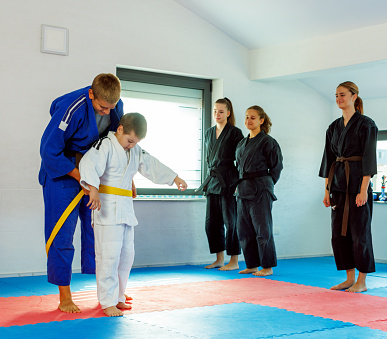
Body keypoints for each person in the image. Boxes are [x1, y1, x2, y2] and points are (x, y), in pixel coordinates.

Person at [79, 113, 188, 317]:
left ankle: (119, 296)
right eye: (130, 140)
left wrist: (174, 178)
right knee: (108, 257)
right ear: (120, 130)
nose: (131, 145)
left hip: (126, 208)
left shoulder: (135, 150)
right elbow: (88, 163)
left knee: (126, 256)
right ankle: (107, 301)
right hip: (107, 208)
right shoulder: (104, 145)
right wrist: (92, 187)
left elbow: (151, 165)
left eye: (135, 142)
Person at [39, 73, 124, 313]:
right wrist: (80, 176)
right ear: (91, 94)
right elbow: (48, 150)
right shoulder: (71, 108)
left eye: (112, 107)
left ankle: (106, 293)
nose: (107, 112)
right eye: (102, 107)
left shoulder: (114, 105)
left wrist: (125, 177)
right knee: (62, 234)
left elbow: (119, 142)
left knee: (98, 231)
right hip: (63, 172)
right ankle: (65, 296)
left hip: (93, 171)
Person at [319, 81, 378, 293]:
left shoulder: (366, 124)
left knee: (359, 233)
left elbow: (369, 159)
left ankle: (362, 280)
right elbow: (328, 160)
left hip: (357, 187)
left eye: (342, 95)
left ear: (354, 96)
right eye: (336, 95)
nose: (338, 99)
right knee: (339, 234)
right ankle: (349, 278)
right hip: (337, 186)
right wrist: (326, 190)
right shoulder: (333, 127)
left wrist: (363, 190)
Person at [235, 105, 283, 276]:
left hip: (261, 189)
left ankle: (267, 266)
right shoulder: (242, 143)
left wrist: (266, 184)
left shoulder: (268, 142)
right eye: (247, 117)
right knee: (244, 230)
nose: (248, 120)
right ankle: (252, 264)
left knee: (263, 230)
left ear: (261, 120)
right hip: (242, 189)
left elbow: (276, 167)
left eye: (253, 117)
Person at [198, 98, 244, 270]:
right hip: (212, 181)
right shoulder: (209, 132)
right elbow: (208, 159)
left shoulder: (235, 133)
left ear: (229, 113)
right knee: (212, 223)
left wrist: (239, 182)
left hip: (229, 181)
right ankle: (219, 259)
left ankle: (234, 261)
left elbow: (240, 160)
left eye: (221, 111)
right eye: (215, 111)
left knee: (231, 222)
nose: (217, 114)